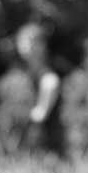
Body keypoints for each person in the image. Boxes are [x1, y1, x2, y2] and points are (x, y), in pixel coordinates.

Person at [14, 23, 65, 157]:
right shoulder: (28, 73)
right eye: (22, 41)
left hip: (47, 147)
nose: (25, 46)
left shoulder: (46, 74)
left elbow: (51, 82)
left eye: (30, 41)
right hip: (32, 146)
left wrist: (39, 110)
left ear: (42, 45)